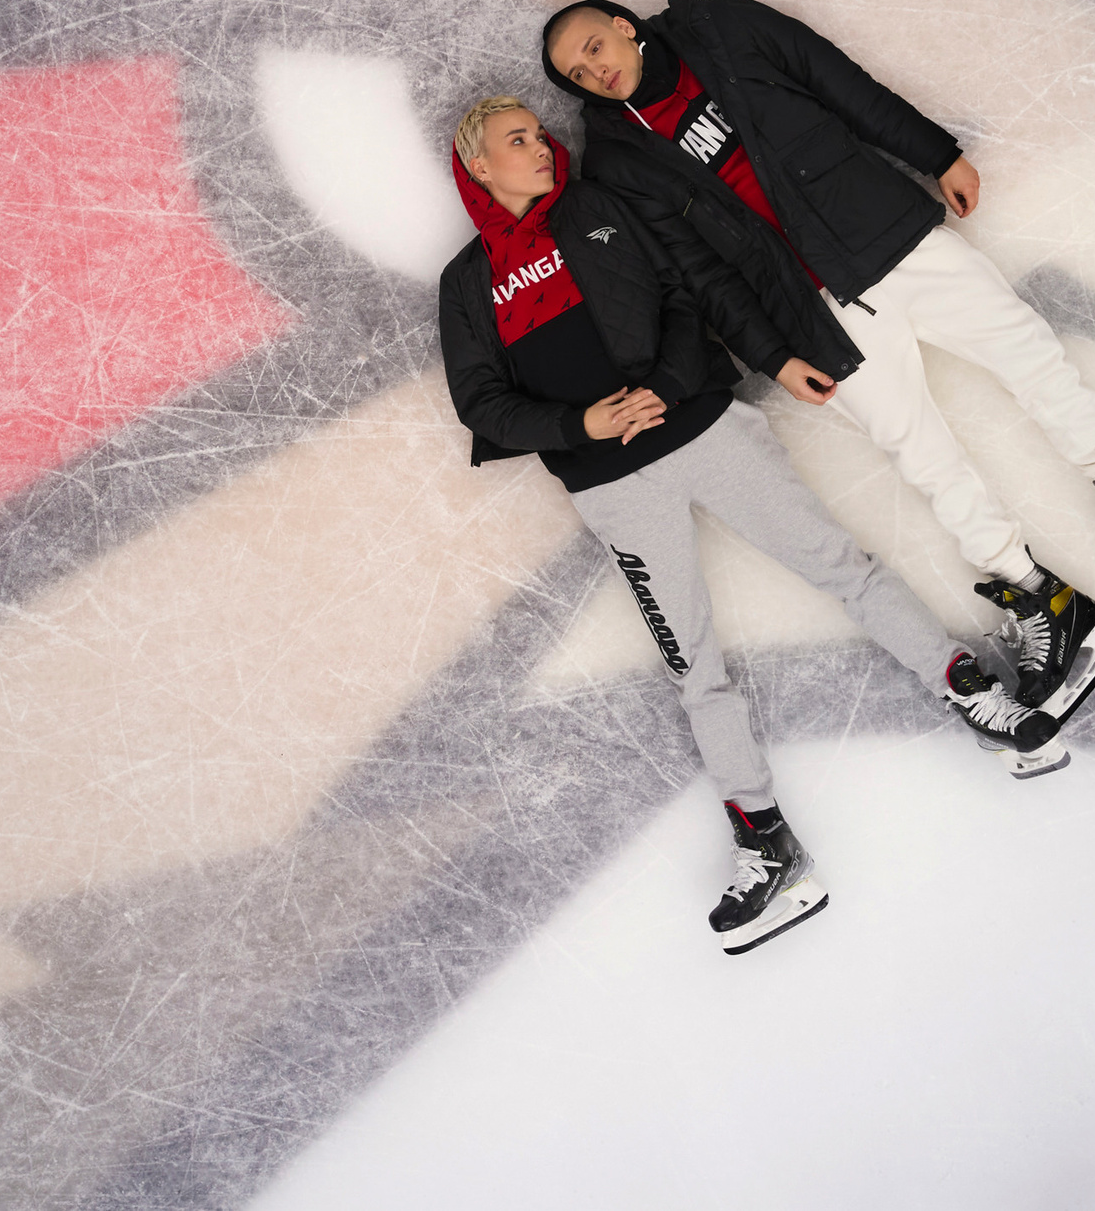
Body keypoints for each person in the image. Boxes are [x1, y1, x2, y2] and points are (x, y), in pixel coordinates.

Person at [538, 0, 1095, 719]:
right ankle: (1045, 604)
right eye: (577, 73)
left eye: (594, 48)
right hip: (816, 315)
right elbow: (698, 276)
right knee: (925, 457)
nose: (594, 71)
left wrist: (936, 153)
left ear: (622, 25)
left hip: (891, 235)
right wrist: (772, 356)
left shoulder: (722, 26)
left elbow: (836, 81)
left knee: (1032, 357)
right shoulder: (615, 164)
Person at [438, 94, 1062, 955]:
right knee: (692, 663)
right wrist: (579, 428)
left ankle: (973, 693)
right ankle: (766, 843)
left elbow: (688, 294)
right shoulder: (467, 283)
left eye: (540, 136)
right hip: (611, 487)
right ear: (479, 165)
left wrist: (666, 382)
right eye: (518, 142)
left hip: (703, 430)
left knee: (841, 567)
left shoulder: (601, 210)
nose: (540, 149)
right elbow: (482, 404)